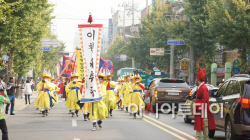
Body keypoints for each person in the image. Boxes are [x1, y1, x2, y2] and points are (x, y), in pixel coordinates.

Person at [194, 68, 216, 140]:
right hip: (199, 106)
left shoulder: (203, 88)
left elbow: (205, 99)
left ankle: (204, 138)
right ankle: (199, 137)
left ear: (198, 78)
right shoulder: (199, 87)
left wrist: (198, 105)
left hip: (203, 108)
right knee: (199, 123)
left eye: (196, 77)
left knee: (204, 124)